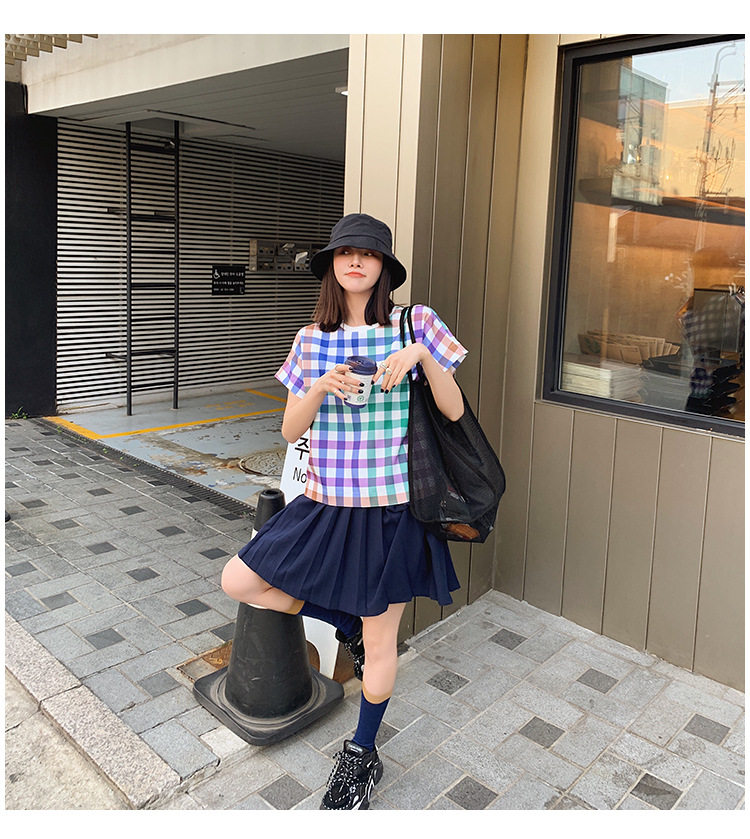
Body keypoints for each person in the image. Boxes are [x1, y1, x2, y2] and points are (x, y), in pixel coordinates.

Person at [221, 213, 468, 810]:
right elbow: (289, 430)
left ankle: (362, 752)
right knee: (240, 580)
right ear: (331, 265)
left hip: (392, 509)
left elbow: (455, 412)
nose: (356, 261)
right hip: (325, 503)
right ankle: (347, 623)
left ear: (384, 267)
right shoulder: (311, 339)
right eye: (345, 253)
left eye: (369, 253)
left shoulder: (416, 323)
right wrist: (318, 387)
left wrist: (419, 356)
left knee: (382, 648)